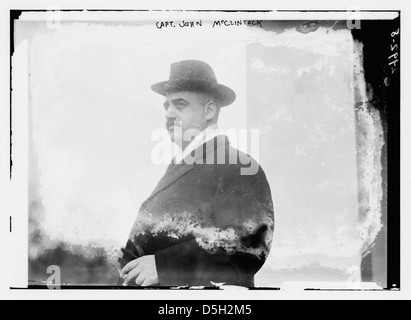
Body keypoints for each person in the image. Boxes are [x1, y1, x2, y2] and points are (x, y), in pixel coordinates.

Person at [118, 60, 274, 287]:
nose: (169, 113)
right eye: (167, 106)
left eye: (179, 105)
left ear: (209, 110)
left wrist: (165, 266)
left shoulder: (237, 164)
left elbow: (247, 243)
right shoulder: (181, 165)